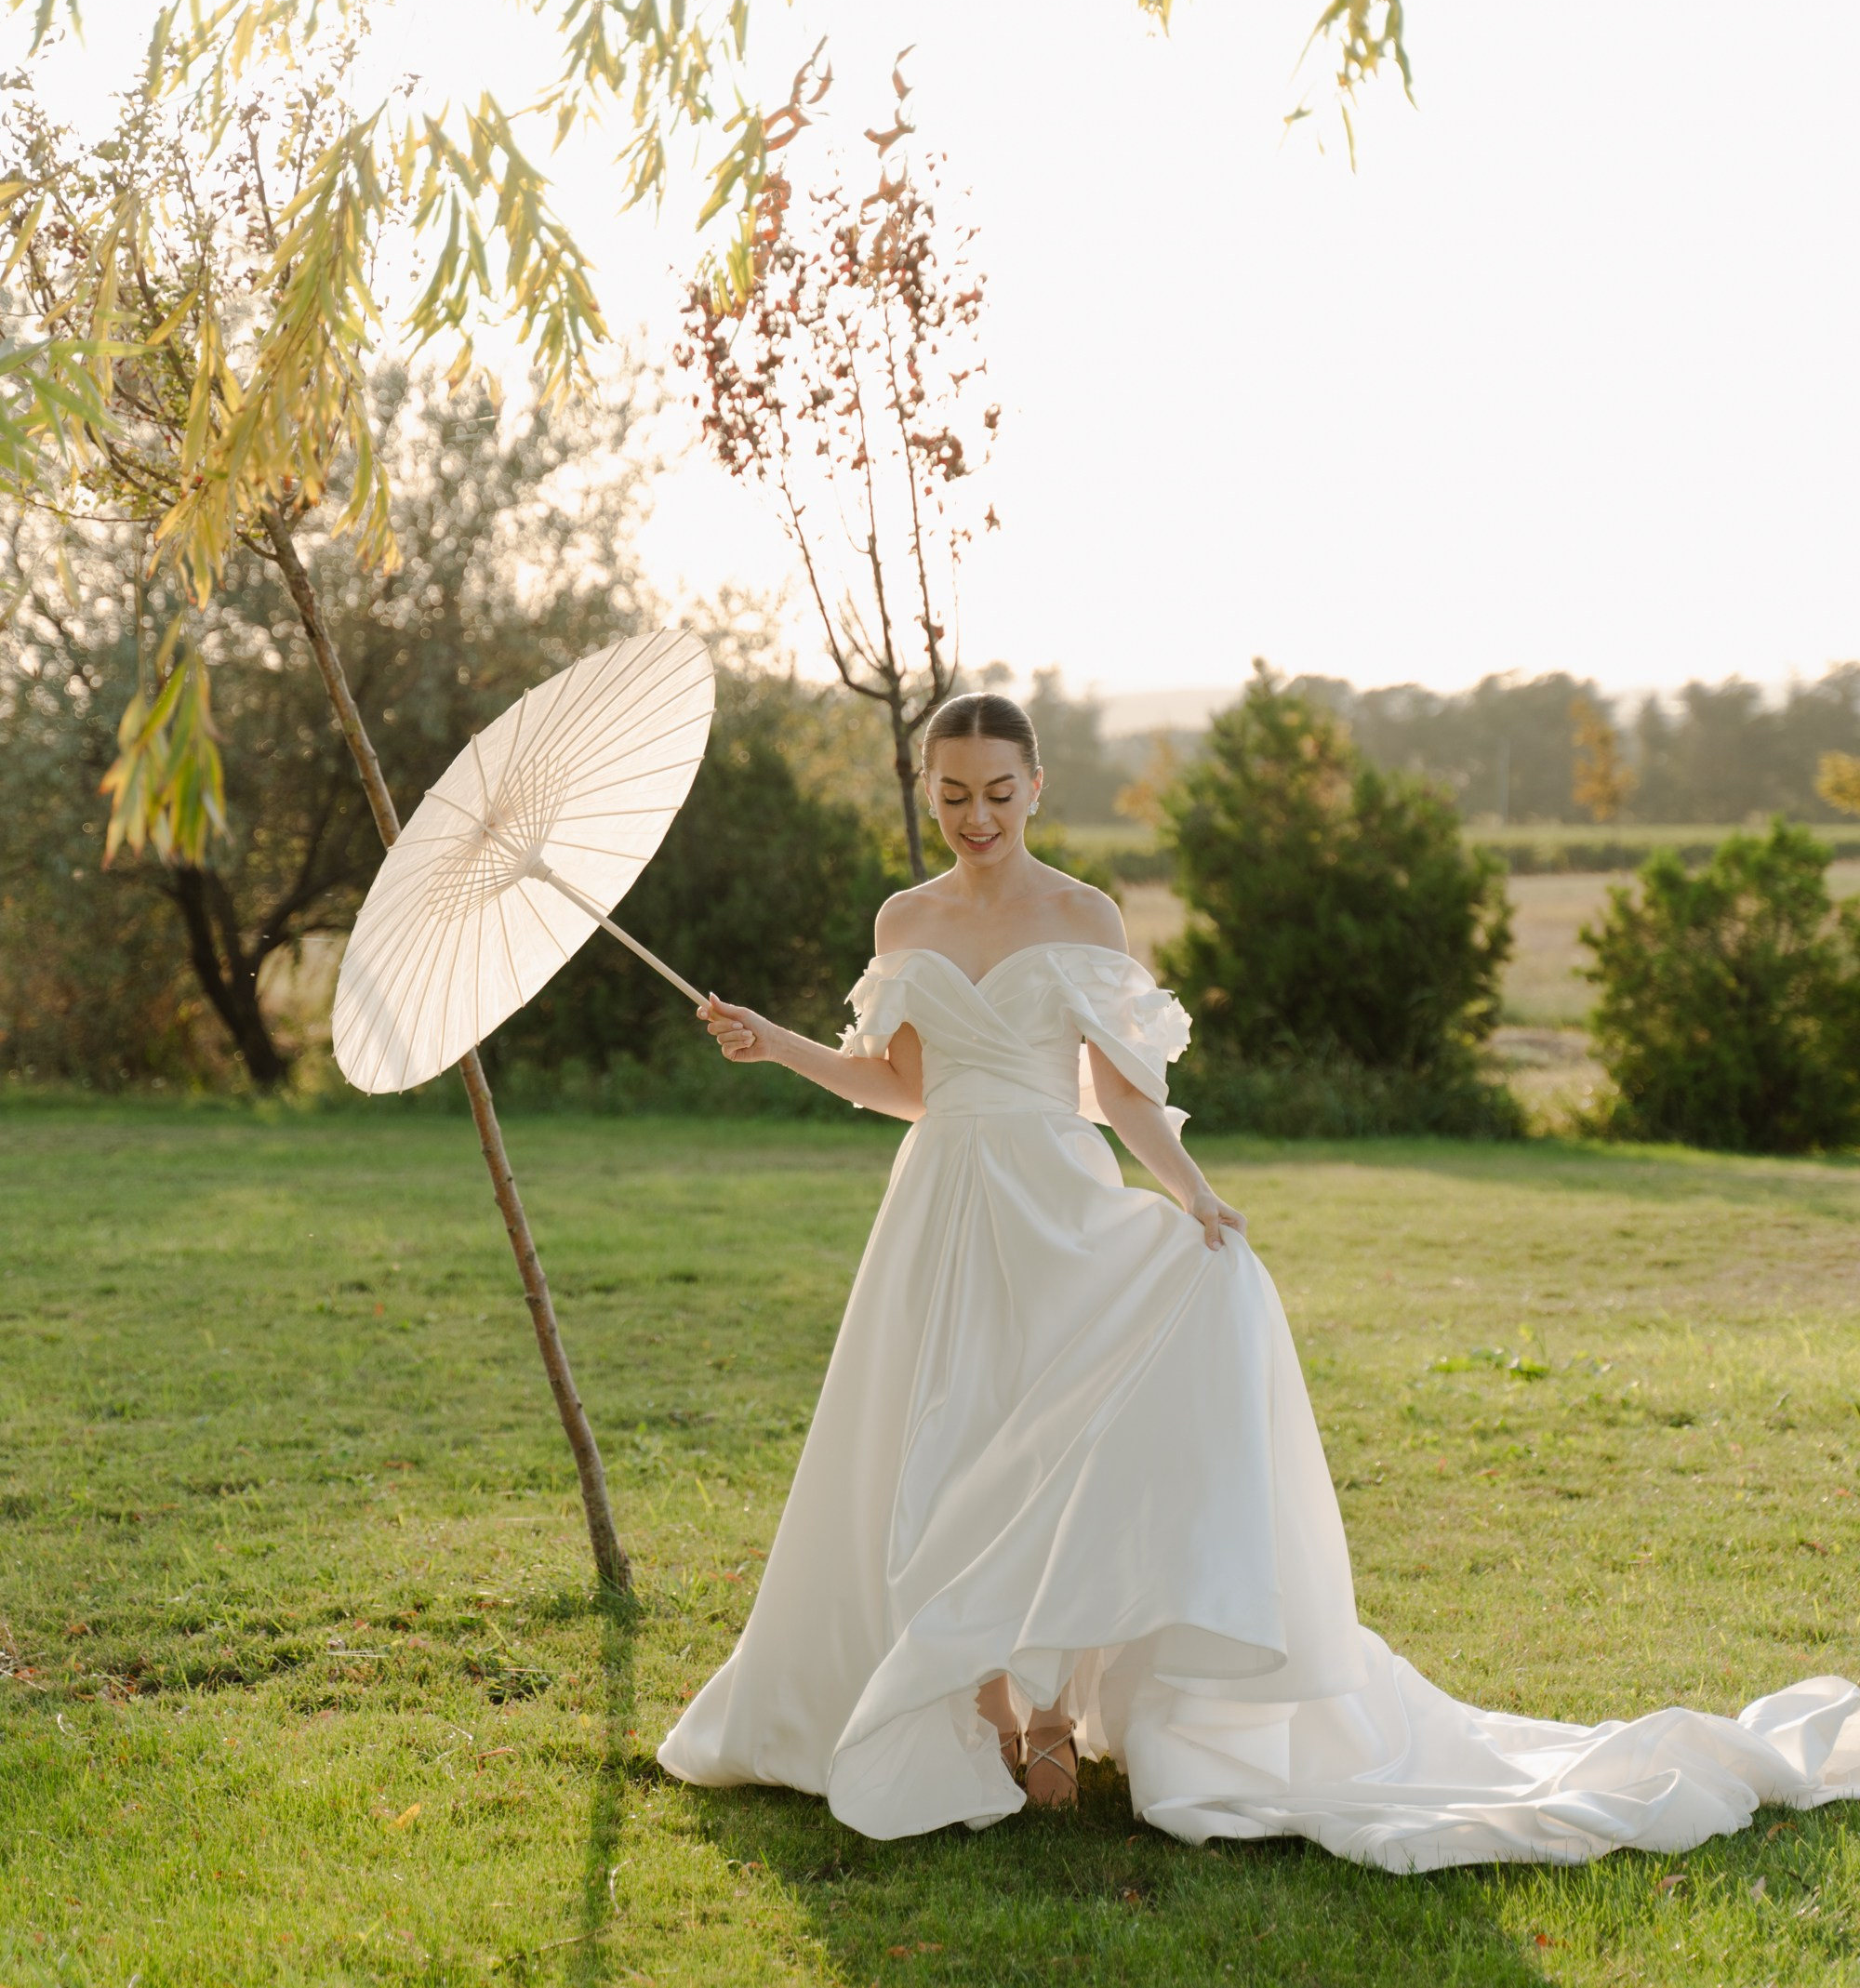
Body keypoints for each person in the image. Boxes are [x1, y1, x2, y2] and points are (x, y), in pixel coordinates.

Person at [657, 694, 1860, 1866]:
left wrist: (1190, 1190)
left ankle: (1049, 1717)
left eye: (1000, 794)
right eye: (955, 795)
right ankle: (984, 1712)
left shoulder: (1084, 914)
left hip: (1061, 1205)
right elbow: (905, 1086)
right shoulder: (903, 922)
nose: (979, 817)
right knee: (957, 1447)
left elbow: (1121, 1090)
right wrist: (781, 1045)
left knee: (1058, 1448)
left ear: (1038, 788)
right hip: (941, 1208)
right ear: (928, 791)